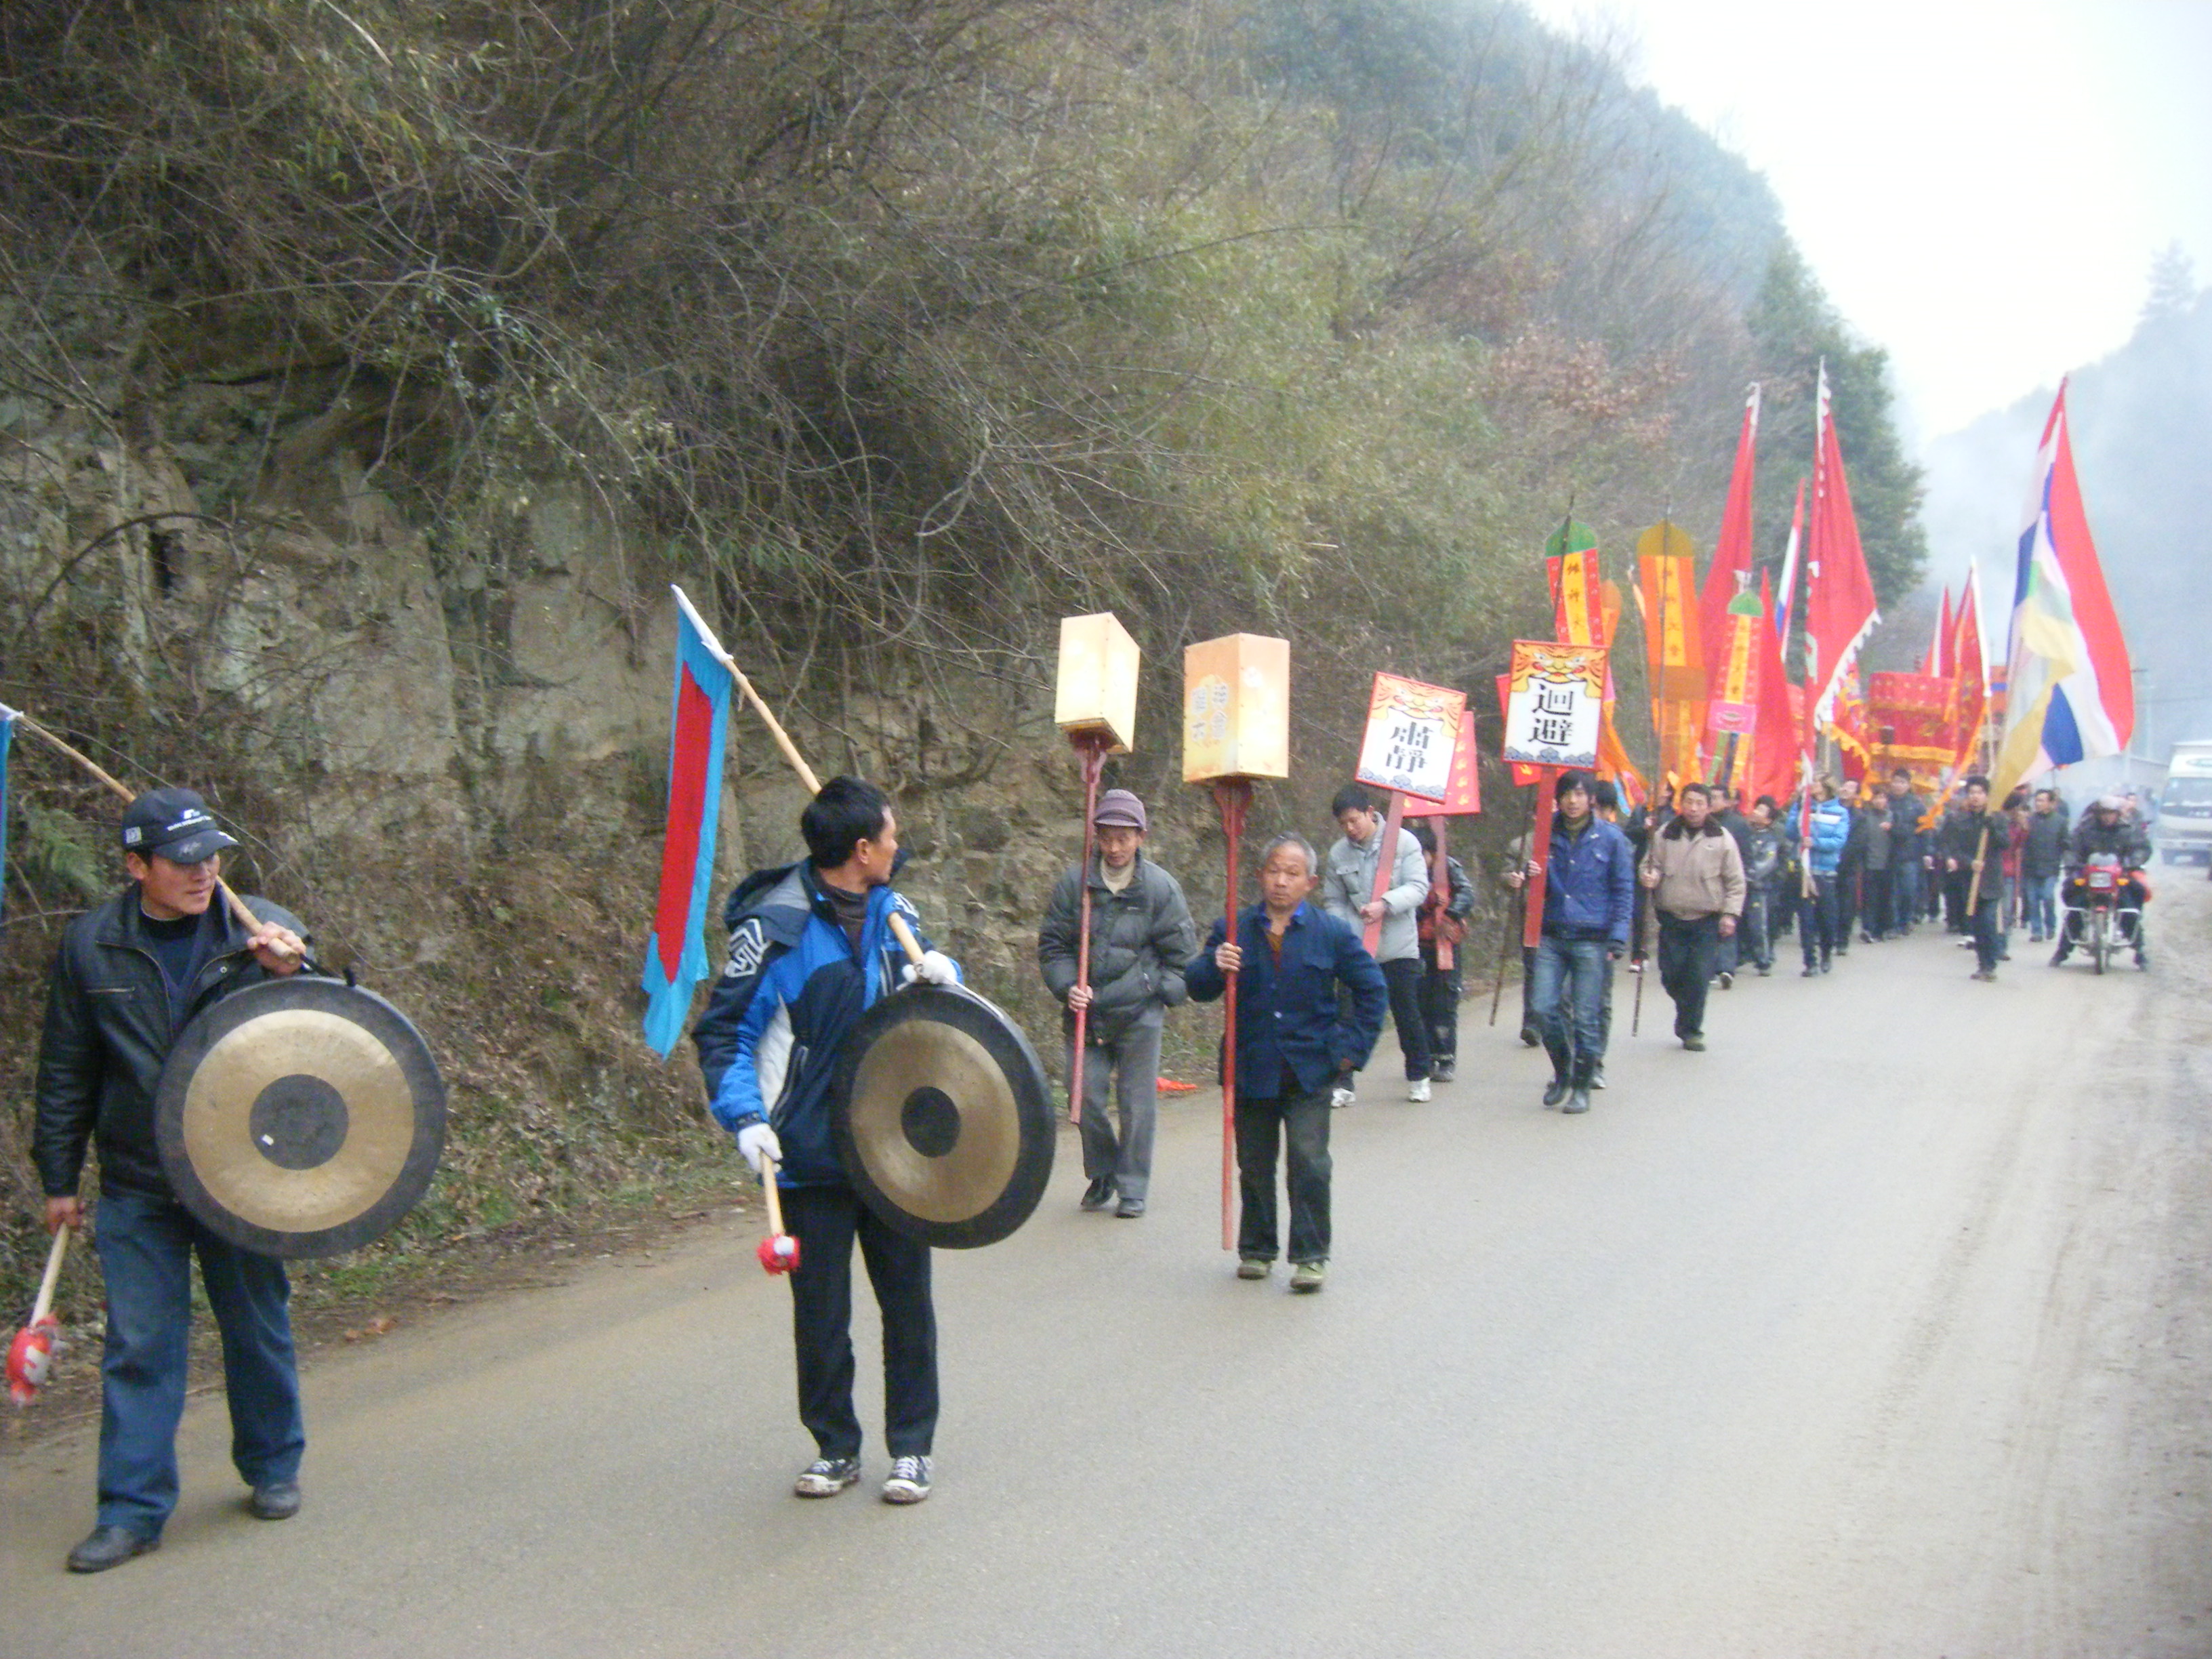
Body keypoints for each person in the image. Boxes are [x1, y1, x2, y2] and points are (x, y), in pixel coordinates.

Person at [33, 787, 313, 1573]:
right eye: (183, 860)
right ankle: (130, 1511)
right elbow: (65, 1069)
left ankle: (272, 1467)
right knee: (140, 1345)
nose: (203, 872)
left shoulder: (257, 926)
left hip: (240, 1176)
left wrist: (298, 966)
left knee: (255, 1327)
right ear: (136, 867)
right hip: (139, 1182)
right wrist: (59, 1175)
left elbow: (329, 1037)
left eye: (212, 856)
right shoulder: (92, 946)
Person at [694, 776, 960, 1505]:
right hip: (807, 1155)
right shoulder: (772, 929)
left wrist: (942, 975)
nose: (900, 846)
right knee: (821, 1316)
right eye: (892, 835)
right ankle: (836, 1447)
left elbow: (942, 1002)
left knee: (908, 1303)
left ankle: (912, 1448)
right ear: (862, 848)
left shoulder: (893, 911)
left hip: (897, 1149)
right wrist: (747, 1118)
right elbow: (726, 1034)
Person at [1187, 833, 1386, 1292]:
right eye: (1274, 871)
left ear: (1310, 882)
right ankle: (1257, 1249)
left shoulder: (1331, 933)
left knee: (1309, 1161)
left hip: (1311, 1068)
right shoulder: (1233, 930)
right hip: (1251, 1066)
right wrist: (1217, 963)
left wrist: (1350, 1050)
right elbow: (1196, 987)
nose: (1281, 881)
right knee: (1255, 1164)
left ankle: (1311, 1256)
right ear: (1259, 876)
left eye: (1292, 873)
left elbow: (1372, 989)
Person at [1037, 788, 1197, 1218]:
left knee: (1136, 1102)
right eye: (1107, 837)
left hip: (1138, 1014)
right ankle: (1103, 1171)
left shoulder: (1160, 888)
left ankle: (1133, 1186)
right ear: (1097, 836)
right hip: (1085, 1013)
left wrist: (1157, 988)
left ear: (1141, 837)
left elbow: (1182, 959)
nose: (1115, 847)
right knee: (1084, 1095)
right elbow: (1053, 946)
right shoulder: (1076, 884)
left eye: (1124, 838)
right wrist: (1067, 985)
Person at [1503, 771, 1635, 1115]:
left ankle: (1581, 1086)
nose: (1573, 801)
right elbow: (1537, 887)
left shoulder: (1611, 839)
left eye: (1580, 794)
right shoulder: (1545, 836)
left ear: (1591, 799)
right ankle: (1563, 1071)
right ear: (1557, 799)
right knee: (1543, 1009)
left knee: (1586, 1017)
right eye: (1567, 795)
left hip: (1593, 937)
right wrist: (1531, 879)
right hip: (1552, 933)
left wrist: (1619, 935)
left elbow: (1623, 889)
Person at [1321, 785, 1432, 1103]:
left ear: (1370, 812)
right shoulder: (1338, 853)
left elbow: (1418, 887)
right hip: (1356, 950)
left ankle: (1418, 1074)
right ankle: (1343, 1083)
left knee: (1406, 1013)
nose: (1350, 829)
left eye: (1354, 821)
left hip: (1398, 947)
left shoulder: (1403, 842)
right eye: (1343, 824)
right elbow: (1334, 900)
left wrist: (1386, 904)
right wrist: (1345, 933)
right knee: (1346, 1016)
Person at [1637, 783, 1746, 1052]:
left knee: (1698, 977)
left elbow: (1735, 881)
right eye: (1689, 802)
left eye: (1700, 803)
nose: (1694, 808)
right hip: (1671, 917)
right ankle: (1685, 1010)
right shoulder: (1665, 834)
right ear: (1681, 805)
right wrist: (1649, 876)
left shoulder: (1721, 838)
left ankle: (1692, 1030)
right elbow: (1649, 864)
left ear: (1708, 807)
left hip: (1706, 919)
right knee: (1671, 975)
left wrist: (1730, 915)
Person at [1408, 821, 1476, 1084]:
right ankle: (1425, 1056)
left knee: (1445, 1002)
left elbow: (1467, 894)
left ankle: (1446, 1057)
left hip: (1446, 944)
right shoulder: (1406, 872)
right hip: (1418, 945)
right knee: (1420, 1001)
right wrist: (1425, 907)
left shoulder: (1449, 868)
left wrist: (1450, 912)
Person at [2051, 794, 2153, 966]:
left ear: (2117, 814)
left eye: (2111, 813)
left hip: (2119, 877)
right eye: (2104, 812)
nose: (2107, 816)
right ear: (2098, 813)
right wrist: (2074, 865)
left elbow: (2141, 848)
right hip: (2090, 877)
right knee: (2075, 907)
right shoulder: (2085, 829)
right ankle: (2062, 952)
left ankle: (2140, 952)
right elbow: (2071, 848)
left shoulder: (2128, 829)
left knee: (2130, 907)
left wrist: (2131, 863)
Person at [1941, 775, 2007, 980]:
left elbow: (2005, 844)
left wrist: (1993, 827)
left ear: (1987, 796)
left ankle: (1991, 963)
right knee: (1976, 925)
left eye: (1980, 793)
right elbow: (1954, 848)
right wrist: (1970, 863)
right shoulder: (1960, 820)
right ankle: (1983, 963)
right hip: (1969, 880)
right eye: (1972, 793)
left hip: (1991, 879)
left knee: (1988, 921)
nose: (1976, 797)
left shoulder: (1997, 819)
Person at [1798, 779, 1851, 975]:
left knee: (1827, 919)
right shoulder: (1805, 809)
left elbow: (1838, 841)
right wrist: (1798, 805)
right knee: (1806, 920)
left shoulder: (1840, 813)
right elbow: (1791, 832)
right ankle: (1809, 961)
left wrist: (1816, 843)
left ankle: (1826, 952)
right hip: (1805, 870)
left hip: (1826, 873)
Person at [1739, 797, 1783, 975]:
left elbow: (1765, 864)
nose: (1756, 812)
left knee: (1758, 926)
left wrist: (1746, 875)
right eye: (1756, 808)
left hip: (1758, 887)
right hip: (1740, 886)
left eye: (1762, 811)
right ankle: (1740, 956)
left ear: (1769, 820)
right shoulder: (1745, 833)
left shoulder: (1770, 839)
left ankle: (1763, 960)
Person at [2020, 787, 2067, 943]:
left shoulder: (2060, 821)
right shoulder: (2030, 821)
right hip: (2031, 867)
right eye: (2037, 800)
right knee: (2032, 900)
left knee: (2048, 897)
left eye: (2042, 800)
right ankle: (2037, 930)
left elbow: (2065, 843)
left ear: (2051, 803)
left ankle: (2051, 926)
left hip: (2051, 867)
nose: (2038, 804)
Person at [1884, 769, 1926, 937]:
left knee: (1908, 890)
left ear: (1908, 785)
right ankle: (1893, 924)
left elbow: (1924, 829)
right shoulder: (1885, 802)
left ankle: (1906, 919)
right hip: (1888, 852)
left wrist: (1927, 852)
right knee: (1892, 891)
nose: (1898, 785)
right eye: (1895, 781)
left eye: (1902, 782)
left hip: (1910, 854)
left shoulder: (1916, 804)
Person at [1856, 788, 1895, 942]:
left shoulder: (1893, 817)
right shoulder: (1865, 817)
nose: (1879, 801)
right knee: (1869, 898)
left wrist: (1894, 829)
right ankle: (1868, 928)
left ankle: (1882, 928)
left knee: (1884, 898)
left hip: (1887, 863)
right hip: (1870, 863)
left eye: (1883, 798)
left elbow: (1903, 837)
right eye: (1876, 798)